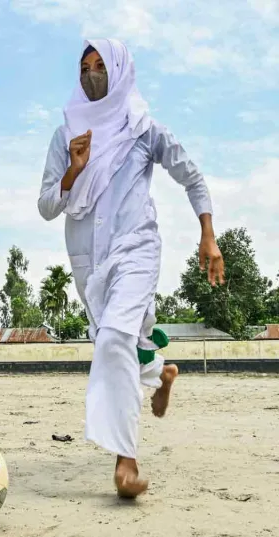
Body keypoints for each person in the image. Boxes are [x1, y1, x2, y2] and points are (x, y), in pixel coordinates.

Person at [37, 40, 225, 498]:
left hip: (136, 248)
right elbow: (46, 205)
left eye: (100, 65)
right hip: (88, 259)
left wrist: (208, 233)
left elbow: (191, 176)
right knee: (121, 340)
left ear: (120, 70)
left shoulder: (143, 128)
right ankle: (161, 373)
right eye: (84, 67)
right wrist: (73, 170)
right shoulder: (67, 135)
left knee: (116, 338)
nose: (91, 74)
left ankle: (126, 459)